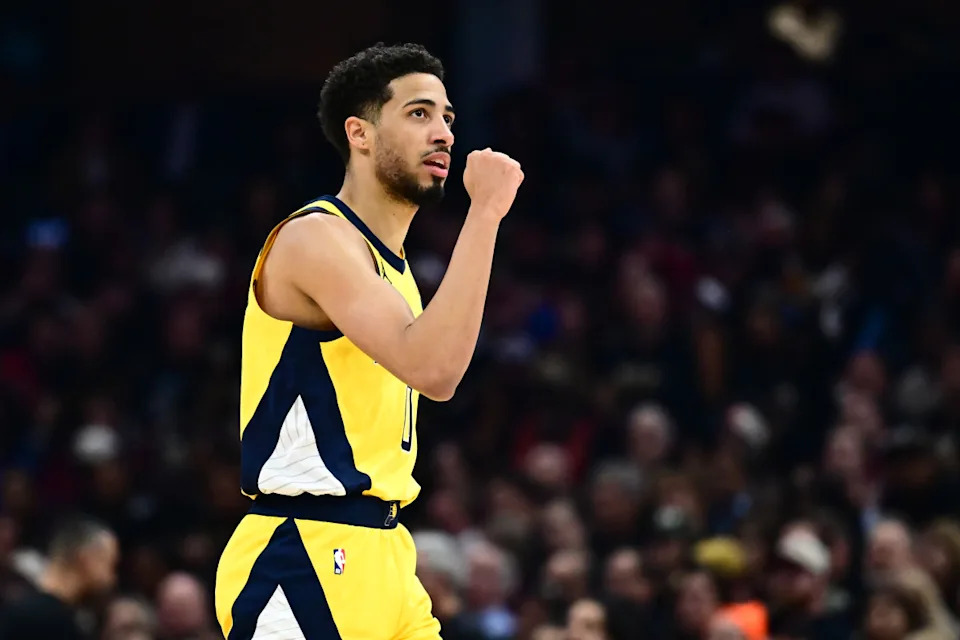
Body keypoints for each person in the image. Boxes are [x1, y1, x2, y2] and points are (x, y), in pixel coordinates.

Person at [214, 42, 524, 639]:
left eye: (447, 118)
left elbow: (440, 370)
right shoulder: (314, 238)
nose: (443, 133)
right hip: (304, 549)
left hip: (384, 551)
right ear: (359, 133)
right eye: (418, 113)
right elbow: (434, 370)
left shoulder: (392, 269)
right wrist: (485, 212)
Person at [0, 516, 118, 640]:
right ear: (87, 558)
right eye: (110, 565)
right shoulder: (37, 619)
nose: (111, 578)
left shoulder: (22, 610)